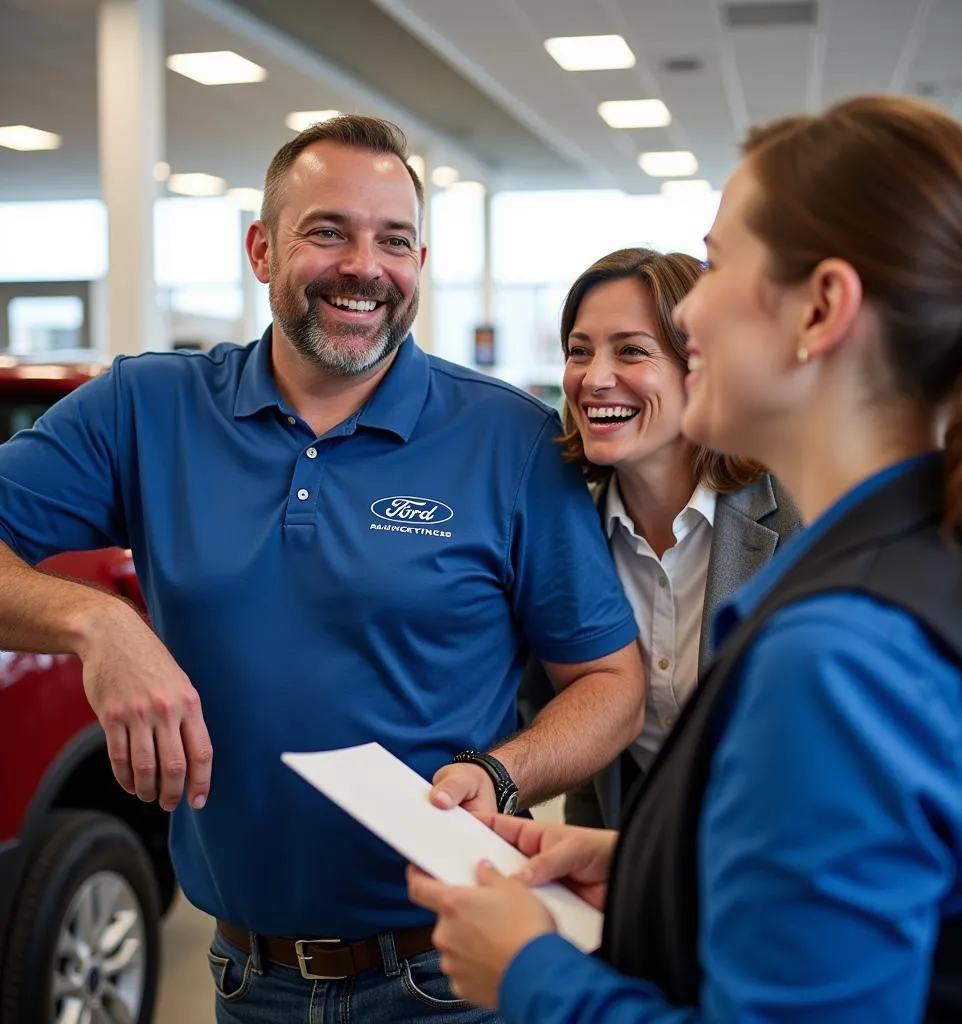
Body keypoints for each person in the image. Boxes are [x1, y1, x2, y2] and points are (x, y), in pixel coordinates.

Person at [0, 115, 646, 1023]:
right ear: (262, 249)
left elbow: (612, 683)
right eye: (329, 231)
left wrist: (501, 774)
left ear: (421, 260)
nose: (364, 267)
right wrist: (95, 623)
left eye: (394, 240)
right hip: (245, 975)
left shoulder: (508, 440)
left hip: (455, 975)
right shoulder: (148, 409)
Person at [408, 95, 962, 1022]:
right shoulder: (950, 556)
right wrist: (653, 866)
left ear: (821, 308)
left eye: (721, 261)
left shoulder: (841, 658)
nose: (690, 308)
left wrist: (530, 973)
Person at [518, 247, 800, 829]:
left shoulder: (798, 518)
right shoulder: (568, 532)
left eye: (632, 351)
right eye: (579, 351)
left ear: (700, 368)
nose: (594, 378)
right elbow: (597, 766)